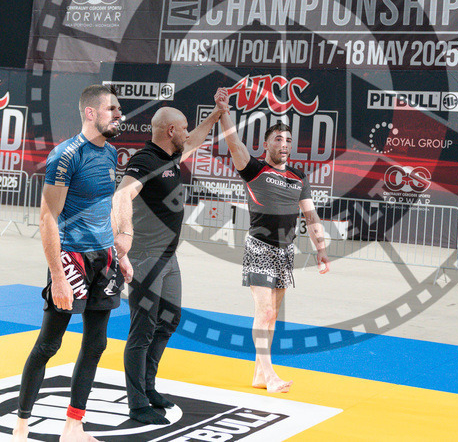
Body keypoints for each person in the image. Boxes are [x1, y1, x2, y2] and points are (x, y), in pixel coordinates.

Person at [13, 85, 133, 442]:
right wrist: (58, 277)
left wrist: (117, 256)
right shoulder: (66, 156)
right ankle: (20, 426)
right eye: (112, 109)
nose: (118, 115)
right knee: (50, 343)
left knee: (96, 344)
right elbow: (47, 218)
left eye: (119, 109)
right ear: (90, 113)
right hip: (72, 259)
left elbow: (104, 207)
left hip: (104, 258)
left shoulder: (111, 154)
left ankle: (74, 426)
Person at [113, 102, 225, 424]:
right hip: (145, 256)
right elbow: (121, 197)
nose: (188, 133)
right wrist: (123, 239)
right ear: (170, 130)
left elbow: (195, 140)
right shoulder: (146, 160)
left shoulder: (170, 156)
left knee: (169, 320)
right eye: (184, 127)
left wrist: (217, 114)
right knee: (143, 330)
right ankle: (137, 404)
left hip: (167, 257)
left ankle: (148, 388)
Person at [215, 87, 330, 393]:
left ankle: (257, 374)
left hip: (285, 252)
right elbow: (233, 142)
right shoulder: (254, 169)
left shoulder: (298, 177)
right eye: (278, 139)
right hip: (259, 247)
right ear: (265, 144)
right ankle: (270, 374)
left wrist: (320, 249)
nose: (284, 144)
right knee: (264, 312)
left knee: (272, 315)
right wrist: (225, 111)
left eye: (288, 140)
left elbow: (311, 216)